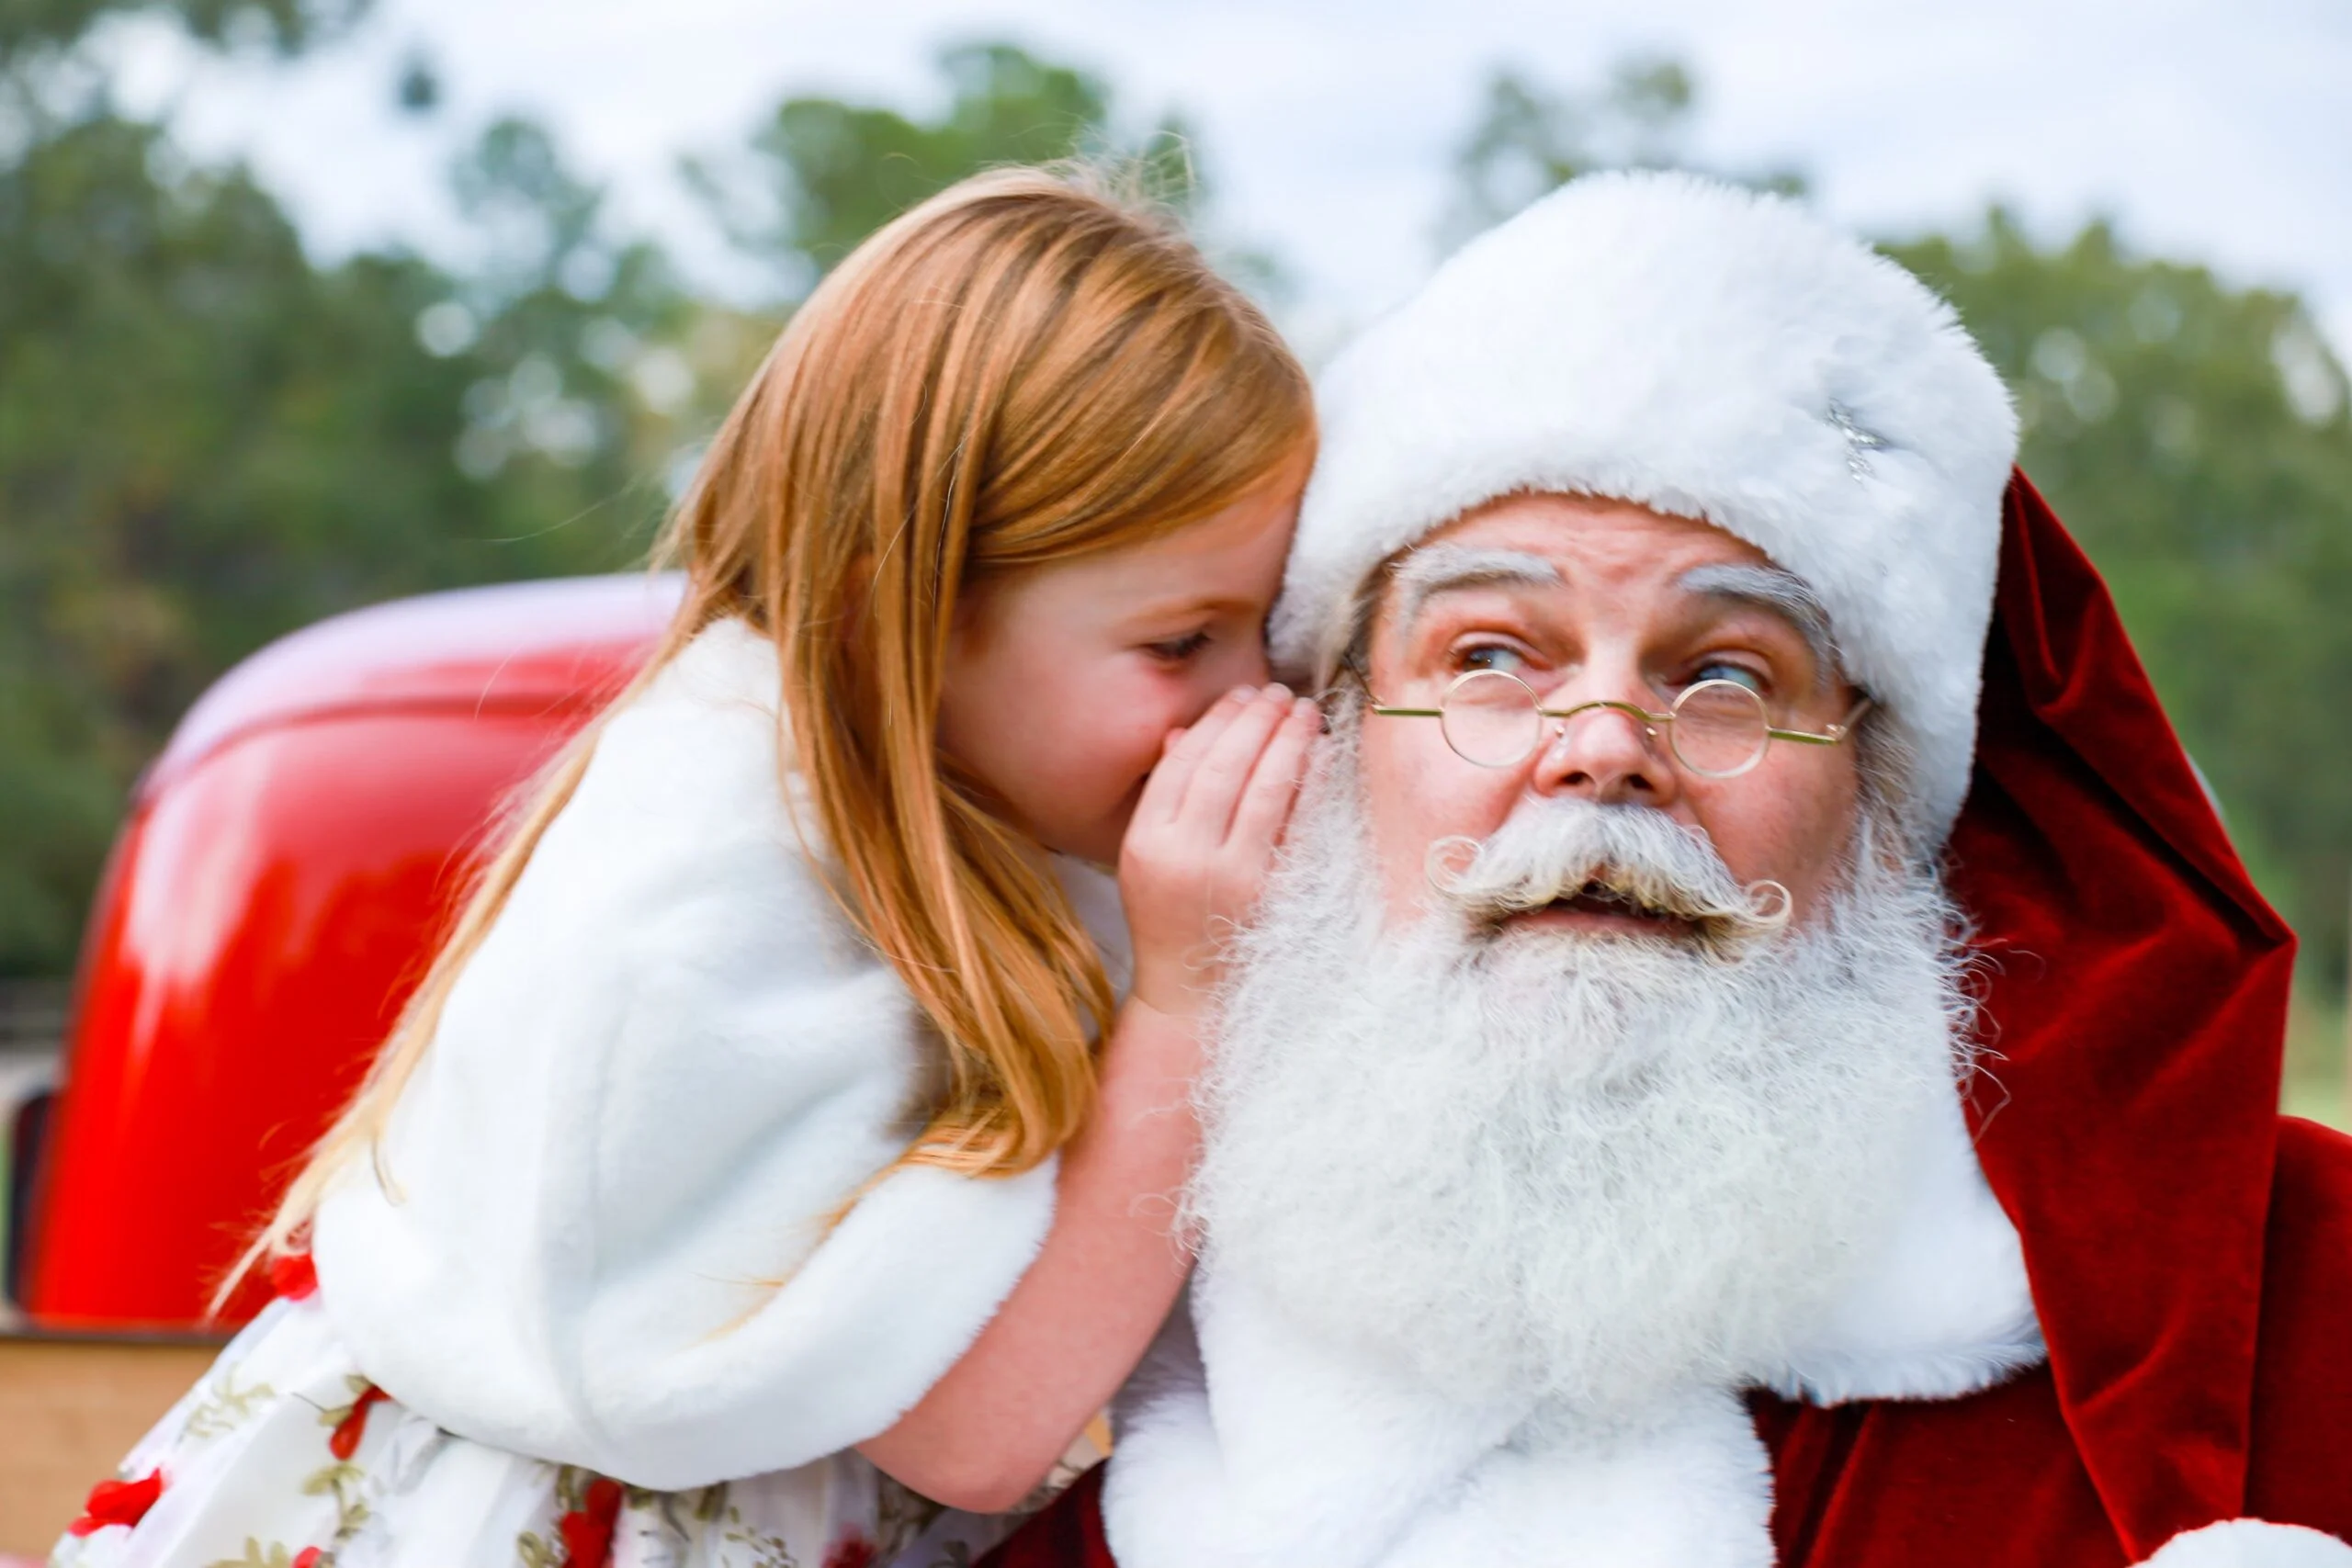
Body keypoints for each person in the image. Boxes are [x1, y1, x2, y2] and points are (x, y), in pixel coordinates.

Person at [983, 173, 2352, 1568]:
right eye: (1491, 656)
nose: (1605, 749)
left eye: (1725, 673)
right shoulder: (1073, 1442)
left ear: (1882, 810)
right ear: (1326, 755)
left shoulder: (2308, 1302)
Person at [51, 168, 1322, 1568]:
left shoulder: (975, 812)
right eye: (1181, 641)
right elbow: (974, 1429)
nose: (1251, 701)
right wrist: (1188, 1000)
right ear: (904, 598)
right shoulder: (713, 911)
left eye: (1268, 631)